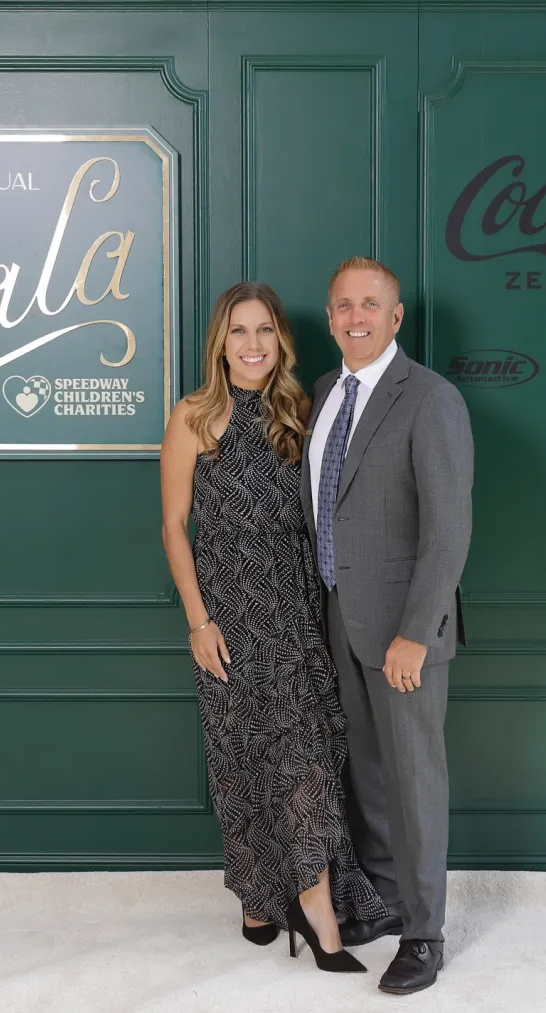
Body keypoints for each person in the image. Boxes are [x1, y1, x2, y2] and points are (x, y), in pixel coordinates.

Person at [160, 281, 388, 974]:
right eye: (239, 331)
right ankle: (258, 899)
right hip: (227, 616)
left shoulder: (302, 413)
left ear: (280, 341)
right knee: (239, 762)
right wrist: (198, 622)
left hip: (295, 611)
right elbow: (173, 525)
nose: (252, 344)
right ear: (220, 344)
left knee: (306, 759)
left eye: (264, 330)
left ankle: (318, 911)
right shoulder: (194, 416)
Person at [301, 257, 474, 995]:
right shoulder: (323, 392)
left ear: (395, 317)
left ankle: (425, 935)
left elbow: (448, 529)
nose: (356, 317)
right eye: (344, 305)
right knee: (367, 774)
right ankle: (385, 902)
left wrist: (417, 631)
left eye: (370, 304)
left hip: (405, 632)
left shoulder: (429, 398)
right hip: (339, 616)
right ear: (330, 316)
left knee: (413, 781)